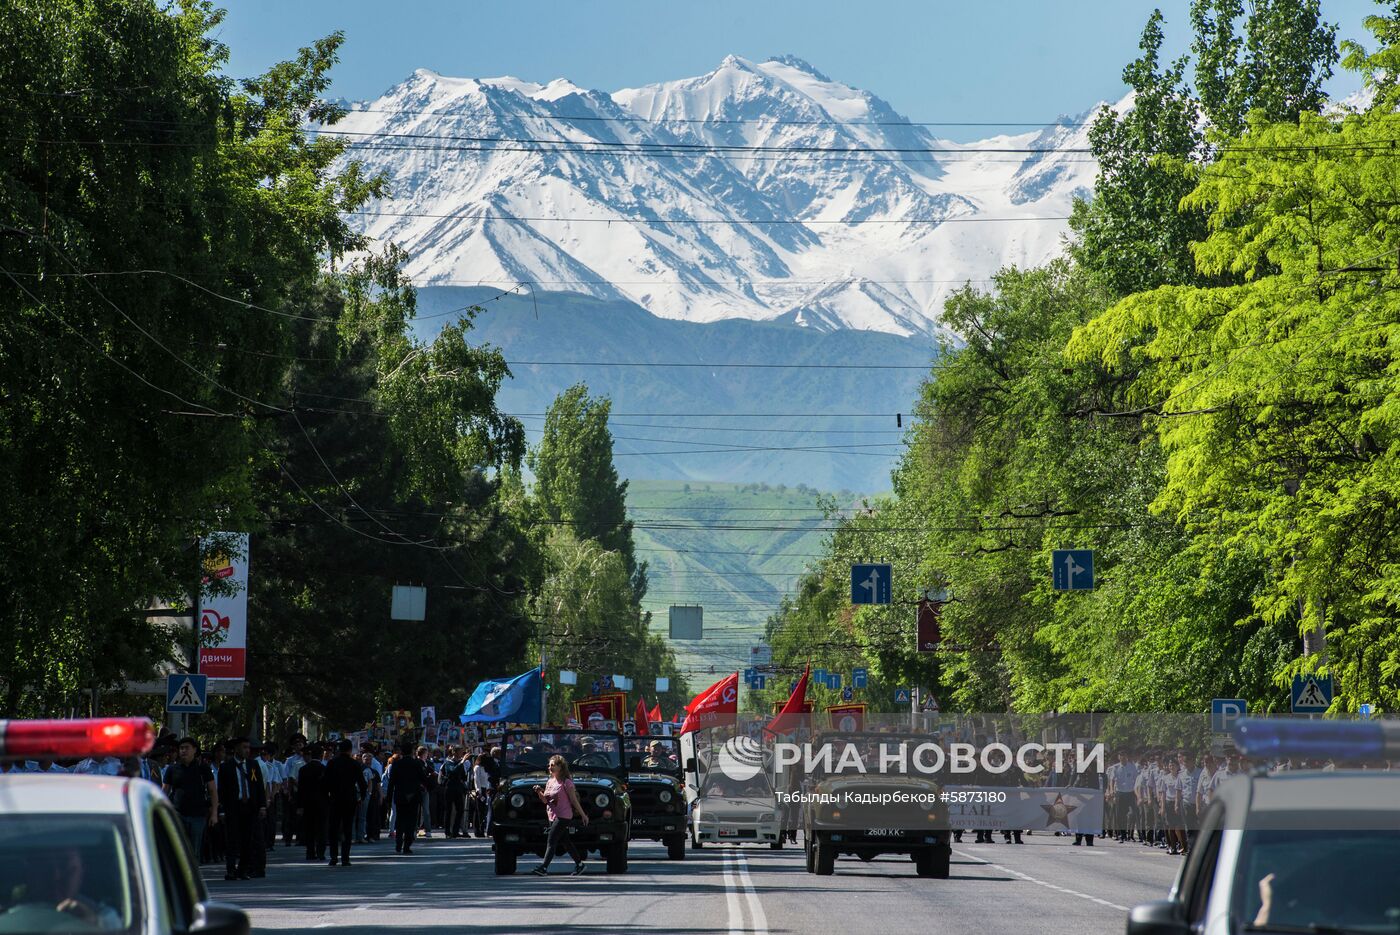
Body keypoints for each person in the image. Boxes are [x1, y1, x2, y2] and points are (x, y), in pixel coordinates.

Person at [217, 737, 267, 881]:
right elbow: (222, 791)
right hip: (234, 807)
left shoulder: (253, 765)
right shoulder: (226, 767)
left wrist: (262, 806)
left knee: (248, 840)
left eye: (248, 747)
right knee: (232, 839)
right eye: (244, 747)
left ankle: (243, 870)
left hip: (249, 807)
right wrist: (221, 810)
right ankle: (231, 870)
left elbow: (259, 787)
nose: (247, 750)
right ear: (237, 749)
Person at [162, 737, 218, 862]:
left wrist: (214, 813)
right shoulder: (172, 769)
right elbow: (164, 792)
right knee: (177, 849)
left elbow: (213, 791)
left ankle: (192, 879)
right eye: (181, 748)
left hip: (198, 816)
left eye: (187, 748)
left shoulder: (203, 769)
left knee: (194, 852)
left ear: (194, 750)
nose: (183, 751)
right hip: (178, 814)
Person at [531, 754, 588, 876]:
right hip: (552, 816)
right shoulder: (550, 781)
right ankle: (580, 864)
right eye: (549, 765)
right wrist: (539, 792)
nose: (550, 767)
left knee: (551, 841)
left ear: (560, 767)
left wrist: (583, 815)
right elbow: (545, 800)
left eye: (553, 765)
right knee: (566, 842)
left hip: (563, 816)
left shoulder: (566, 783)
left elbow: (574, 800)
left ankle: (544, 867)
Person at [324, 739, 367, 866]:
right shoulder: (354, 764)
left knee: (334, 828)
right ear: (350, 750)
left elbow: (325, 782)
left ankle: (333, 856)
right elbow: (362, 783)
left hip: (335, 798)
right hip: (350, 798)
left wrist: (327, 796)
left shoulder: (332, 763)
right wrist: (362, 797)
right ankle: (345, 857)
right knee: (347, 828)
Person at [384, 743, 430, 855]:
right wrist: (430, 786)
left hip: (400, 795)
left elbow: (391, 783)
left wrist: (389, 798)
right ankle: (407, 845)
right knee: (411, 821)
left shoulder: (396, 764)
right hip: (413, 796)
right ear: (412, 752)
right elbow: (424, 779)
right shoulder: (416, 764)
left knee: (400, 820)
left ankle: (398, 842)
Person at [296, 743, 328, 862]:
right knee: (322, 828)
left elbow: (301, 789)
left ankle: (310, 852)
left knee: (309, 829)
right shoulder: (324, 769)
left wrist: (299, 806)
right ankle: (321, 852)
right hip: (322, 803)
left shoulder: (303, 769)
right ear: (321, 755)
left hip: (307, 803)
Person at [442, 748, 469, 838]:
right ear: (455, 752)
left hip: (458, 788)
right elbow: (452, 772)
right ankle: (447, 832)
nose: (462, 754)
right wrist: (462, 762)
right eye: (460, 752)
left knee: (460, 810)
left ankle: (455, 831)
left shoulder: (460, 763)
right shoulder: (448, 762)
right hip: (450, 788)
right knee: (449, 810)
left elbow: (463, 776)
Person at [472, 752, 494, 837]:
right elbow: (476, 780)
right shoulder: (477, 768)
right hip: (481, 790)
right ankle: (478, 830)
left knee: (485, 810)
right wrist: (479, 791)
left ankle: (483, 829)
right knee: (479, 811)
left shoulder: (487, 768)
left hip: (487, 789)